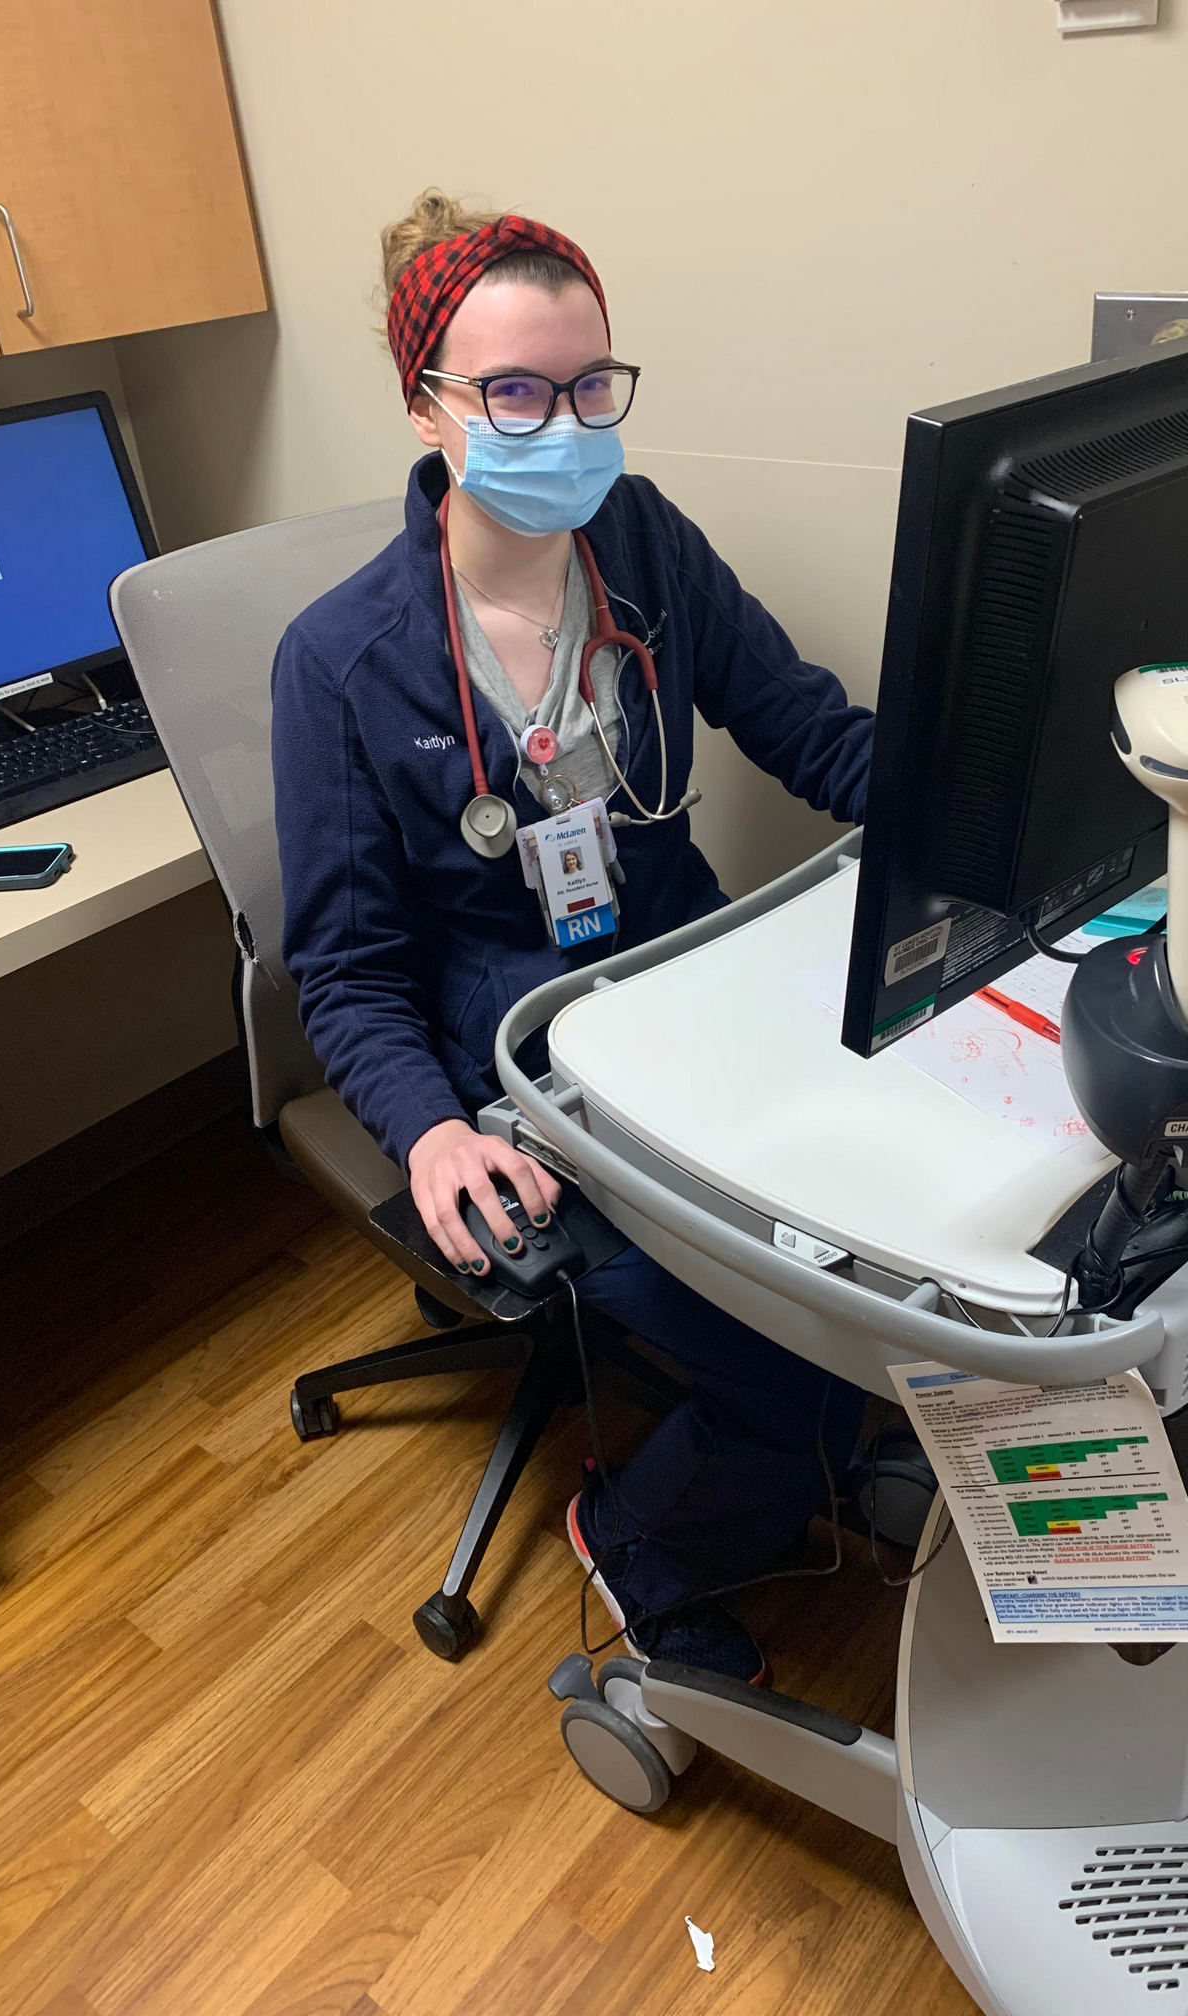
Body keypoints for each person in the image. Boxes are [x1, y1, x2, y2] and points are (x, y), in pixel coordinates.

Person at [272, 190, 875, 1683]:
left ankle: (789, 1454)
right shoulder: (341, 664)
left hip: (695, 986)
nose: (568, 423)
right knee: (806, 1363)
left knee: (882, 1251)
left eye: (590, 384)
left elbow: (805, 728)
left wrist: (976, 820)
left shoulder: (643, 545)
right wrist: (425, 1135)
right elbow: (343, 969)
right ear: (429, 408)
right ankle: (643, 1541)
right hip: (527, 1066)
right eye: (518, 393)